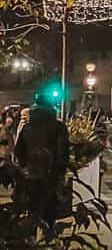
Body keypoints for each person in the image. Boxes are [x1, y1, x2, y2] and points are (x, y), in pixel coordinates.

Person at [13, 90, 70, 225]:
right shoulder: (58, 127)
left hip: (30, 174)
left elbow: (19, 151)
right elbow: (63, 151)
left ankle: (32, 239)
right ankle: (48, 238)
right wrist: (60, 171)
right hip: (51, 175)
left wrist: (24, 168)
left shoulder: (27, 127)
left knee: (32, 209)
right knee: (49, 210)